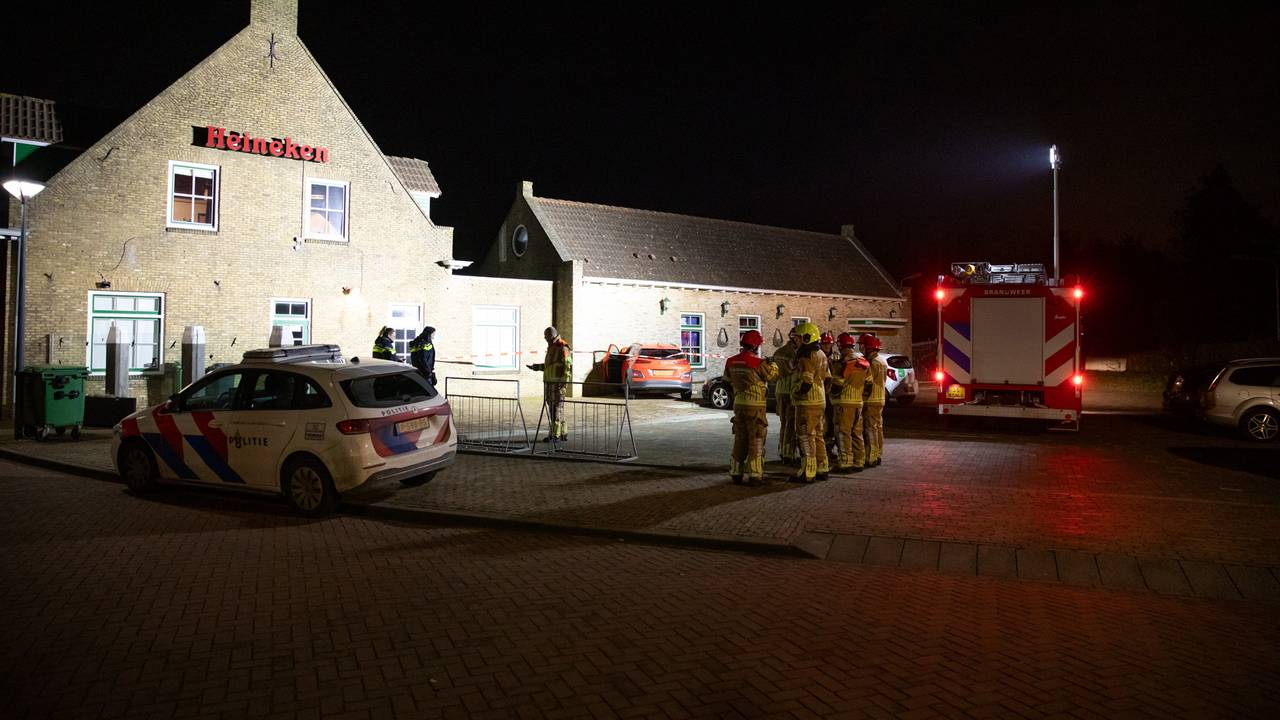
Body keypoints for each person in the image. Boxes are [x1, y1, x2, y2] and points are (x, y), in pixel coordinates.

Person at [724, 330, 779, 486]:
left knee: (740, 439)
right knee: (756, 440)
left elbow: (726, 379)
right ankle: (755, 475)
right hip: (756, 408)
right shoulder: (758, 363)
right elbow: (773, 376)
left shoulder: (731, 361)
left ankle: (736, 472)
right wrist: (773, 364)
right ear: (755, 345)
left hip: (739, 407)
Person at [790, 322, 830, 482]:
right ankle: (823, 467)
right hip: (820, 400)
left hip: (807, 403)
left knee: (805, 436)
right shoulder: (822, 354)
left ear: (807, 338)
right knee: (818, 435)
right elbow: (828, 379)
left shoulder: (806, 356)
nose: (796, 341)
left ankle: (808, 471)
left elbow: (806, 381)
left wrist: (797, 393)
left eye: (798, 339)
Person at [829, 333, 870, 472]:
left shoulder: (845, 362)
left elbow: (837, 384)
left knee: (843, 433)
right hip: (858, 402)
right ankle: (859, 461)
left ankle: (845, 462)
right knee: (857, 433)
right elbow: (869, 384)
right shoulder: (863, 361)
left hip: (844, 403)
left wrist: (832, 395)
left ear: (840, 346)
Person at [526, 326, 572, 442]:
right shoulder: (552, 347)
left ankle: (555, 435)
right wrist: (537, 367)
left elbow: (568, 367)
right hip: (550, 384)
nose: (545, 338)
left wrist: (563, 383)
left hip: (557, 385)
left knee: (555, 409)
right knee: (555, 408)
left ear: (552, 335)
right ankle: (563, 433)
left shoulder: (562, 347)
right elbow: (550, 366)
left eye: (546, 336)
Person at [771, 327, 801, 464]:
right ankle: (789, 453)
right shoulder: (795, 354)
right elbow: (794, 370)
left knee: (784, 423)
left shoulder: (778, 352)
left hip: (779, 390)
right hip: (790, 391)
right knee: (791, 424)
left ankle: (783, 450)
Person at [859, 333, 887, 467]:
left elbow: (867, 382)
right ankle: (877, 454)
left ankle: (870, 457)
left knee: (870, 428)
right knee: (877, 428)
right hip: (880, 398)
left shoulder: (872, 363)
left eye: (861, 346)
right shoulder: (882, 361)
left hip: (871, 400)